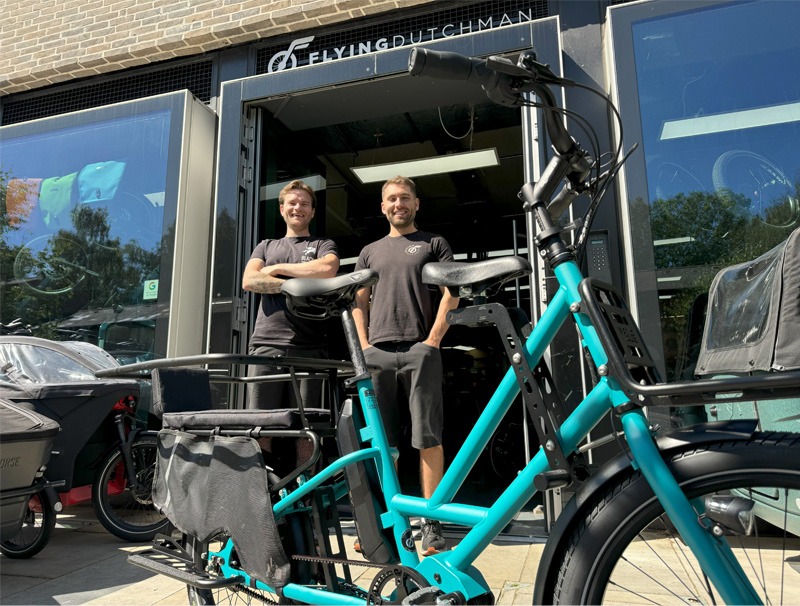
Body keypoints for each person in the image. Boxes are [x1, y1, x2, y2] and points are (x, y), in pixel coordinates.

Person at [352, 175, 459, 556]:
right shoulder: (369, 251)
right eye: (391, 199)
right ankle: (386, 526)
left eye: (405, 198)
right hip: (377, 354)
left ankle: (432, 525)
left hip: (420, 350)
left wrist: (432, 342)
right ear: (382, 207)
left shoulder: (433, 244)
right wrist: (363, 346)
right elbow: (358, 301)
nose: (398, 204)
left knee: (428, 438)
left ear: (417, 204)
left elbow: (452, 293)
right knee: (384, 444)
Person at [242, 179, 339, 412]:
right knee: (261, 424)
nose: (298, 208)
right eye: (292, 203)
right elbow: (250, 280)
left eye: (305, 204)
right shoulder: (265, 246)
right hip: (266, 344)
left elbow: (328, 269)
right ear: (282, 209)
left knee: (306, 429)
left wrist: (277, 270)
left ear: (313, 211)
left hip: (309, 347)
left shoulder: (322, 244)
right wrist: (300, 283)